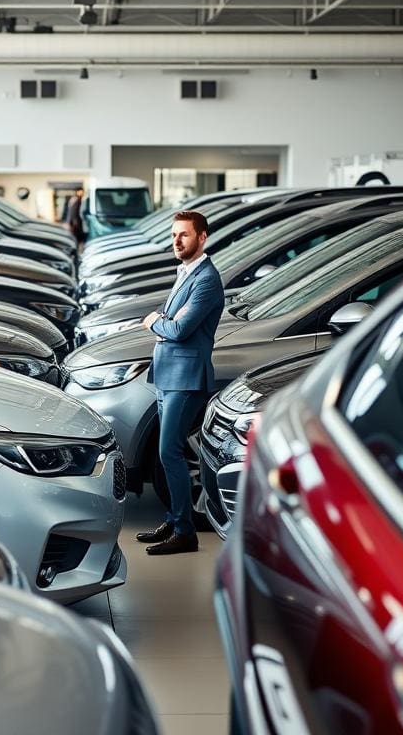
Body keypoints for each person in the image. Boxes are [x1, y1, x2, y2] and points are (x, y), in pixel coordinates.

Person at [137, 210, 225, 555]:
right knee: (165, 453)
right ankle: (174, 520)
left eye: (184, 235)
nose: (177, 240)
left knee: (169, 452)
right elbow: (173, 324)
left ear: (202, 237)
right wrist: (165, 321)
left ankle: (185, 532)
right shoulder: (186, 272)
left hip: (187, 378)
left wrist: (155, 322)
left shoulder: (206, 279)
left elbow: (179, 329)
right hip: (169, 375)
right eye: (174, 234)